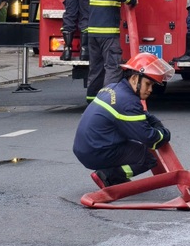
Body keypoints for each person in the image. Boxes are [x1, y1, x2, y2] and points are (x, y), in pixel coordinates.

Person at [73, 52, 174, 187]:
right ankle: (108, 176)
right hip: (95, 152)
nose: (150, 90)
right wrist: (165, 133)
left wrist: (154, 122)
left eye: (152, 86)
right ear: (134, 79)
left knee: (133, 144)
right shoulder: (127, 102)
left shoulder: (113, 88)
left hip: (85, 148)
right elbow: (149, 138)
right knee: (147, 158)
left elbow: (142, 115)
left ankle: (114, 175)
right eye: (148, 84)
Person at [85, 0, 138, 102]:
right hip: (108, 33)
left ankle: (91, 100)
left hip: (93, 33)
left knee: (96, 68)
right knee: (112, 67)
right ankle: (108, 101)